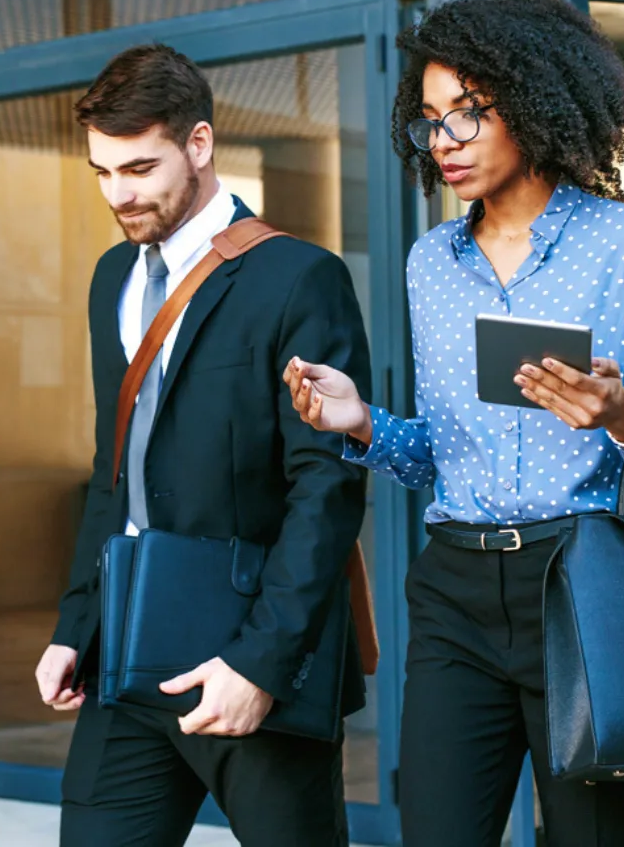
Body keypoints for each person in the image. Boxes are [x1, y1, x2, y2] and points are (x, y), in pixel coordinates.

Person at [285, 0, 624, 847]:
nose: (444, 141)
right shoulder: (429, 263)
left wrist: (622, 415)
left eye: (469, 114)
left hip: (588, 586)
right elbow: (443, 456)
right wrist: (363, 422)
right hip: (456, 591)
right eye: (430, 120)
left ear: (535, 100)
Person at [34, 43, 372, 847]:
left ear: (199, 144)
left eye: (141, 168)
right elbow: (111, 471)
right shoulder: (111, 277)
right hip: (126, 649)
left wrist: (261, 663)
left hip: (252, 651)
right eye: (104, 173)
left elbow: (324, 489)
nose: (121, 194)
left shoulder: (299, 277)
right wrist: (73, 626)